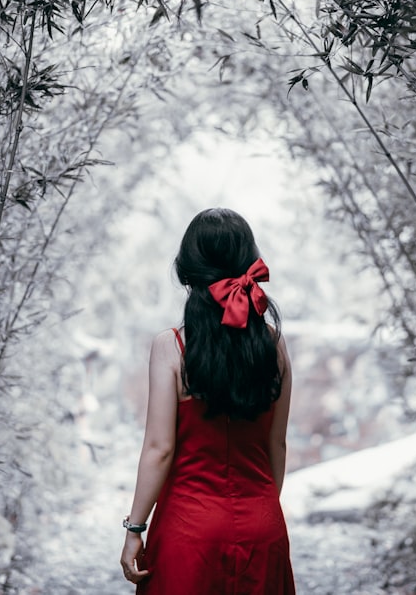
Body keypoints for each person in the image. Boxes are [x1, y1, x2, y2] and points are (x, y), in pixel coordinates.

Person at [120, 208, 295, 594]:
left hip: (188, 532)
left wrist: (135, 528)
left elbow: (159, 449)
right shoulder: (274, 346)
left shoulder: (172, 348)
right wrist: (257, 510)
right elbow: (276, 445)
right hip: (262, 528)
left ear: (187, 269)